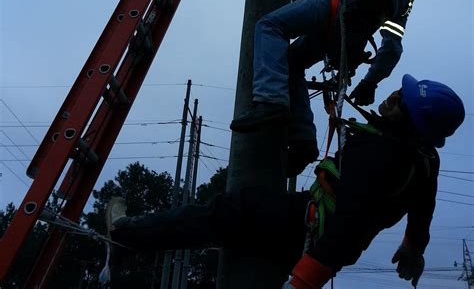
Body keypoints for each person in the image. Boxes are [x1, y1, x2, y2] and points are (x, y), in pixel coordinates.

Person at [107, 75, 465, 288]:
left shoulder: (382, 155)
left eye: (401, 99)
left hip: (309, 229)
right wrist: (412, 248)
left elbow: (348, 229)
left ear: (414, 122)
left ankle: (125, 232)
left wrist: (302, 282)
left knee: (224, 211)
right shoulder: (424, 158)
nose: (392, 95)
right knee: (240, 216)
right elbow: (424, 211)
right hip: (310, 222)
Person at [230, 0, 451, 177]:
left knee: (269, 26)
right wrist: (370, 82)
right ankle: (303, 138)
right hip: (345, 38)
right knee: (293, 65)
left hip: (337, 5)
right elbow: (392, 47)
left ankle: (269, 101)